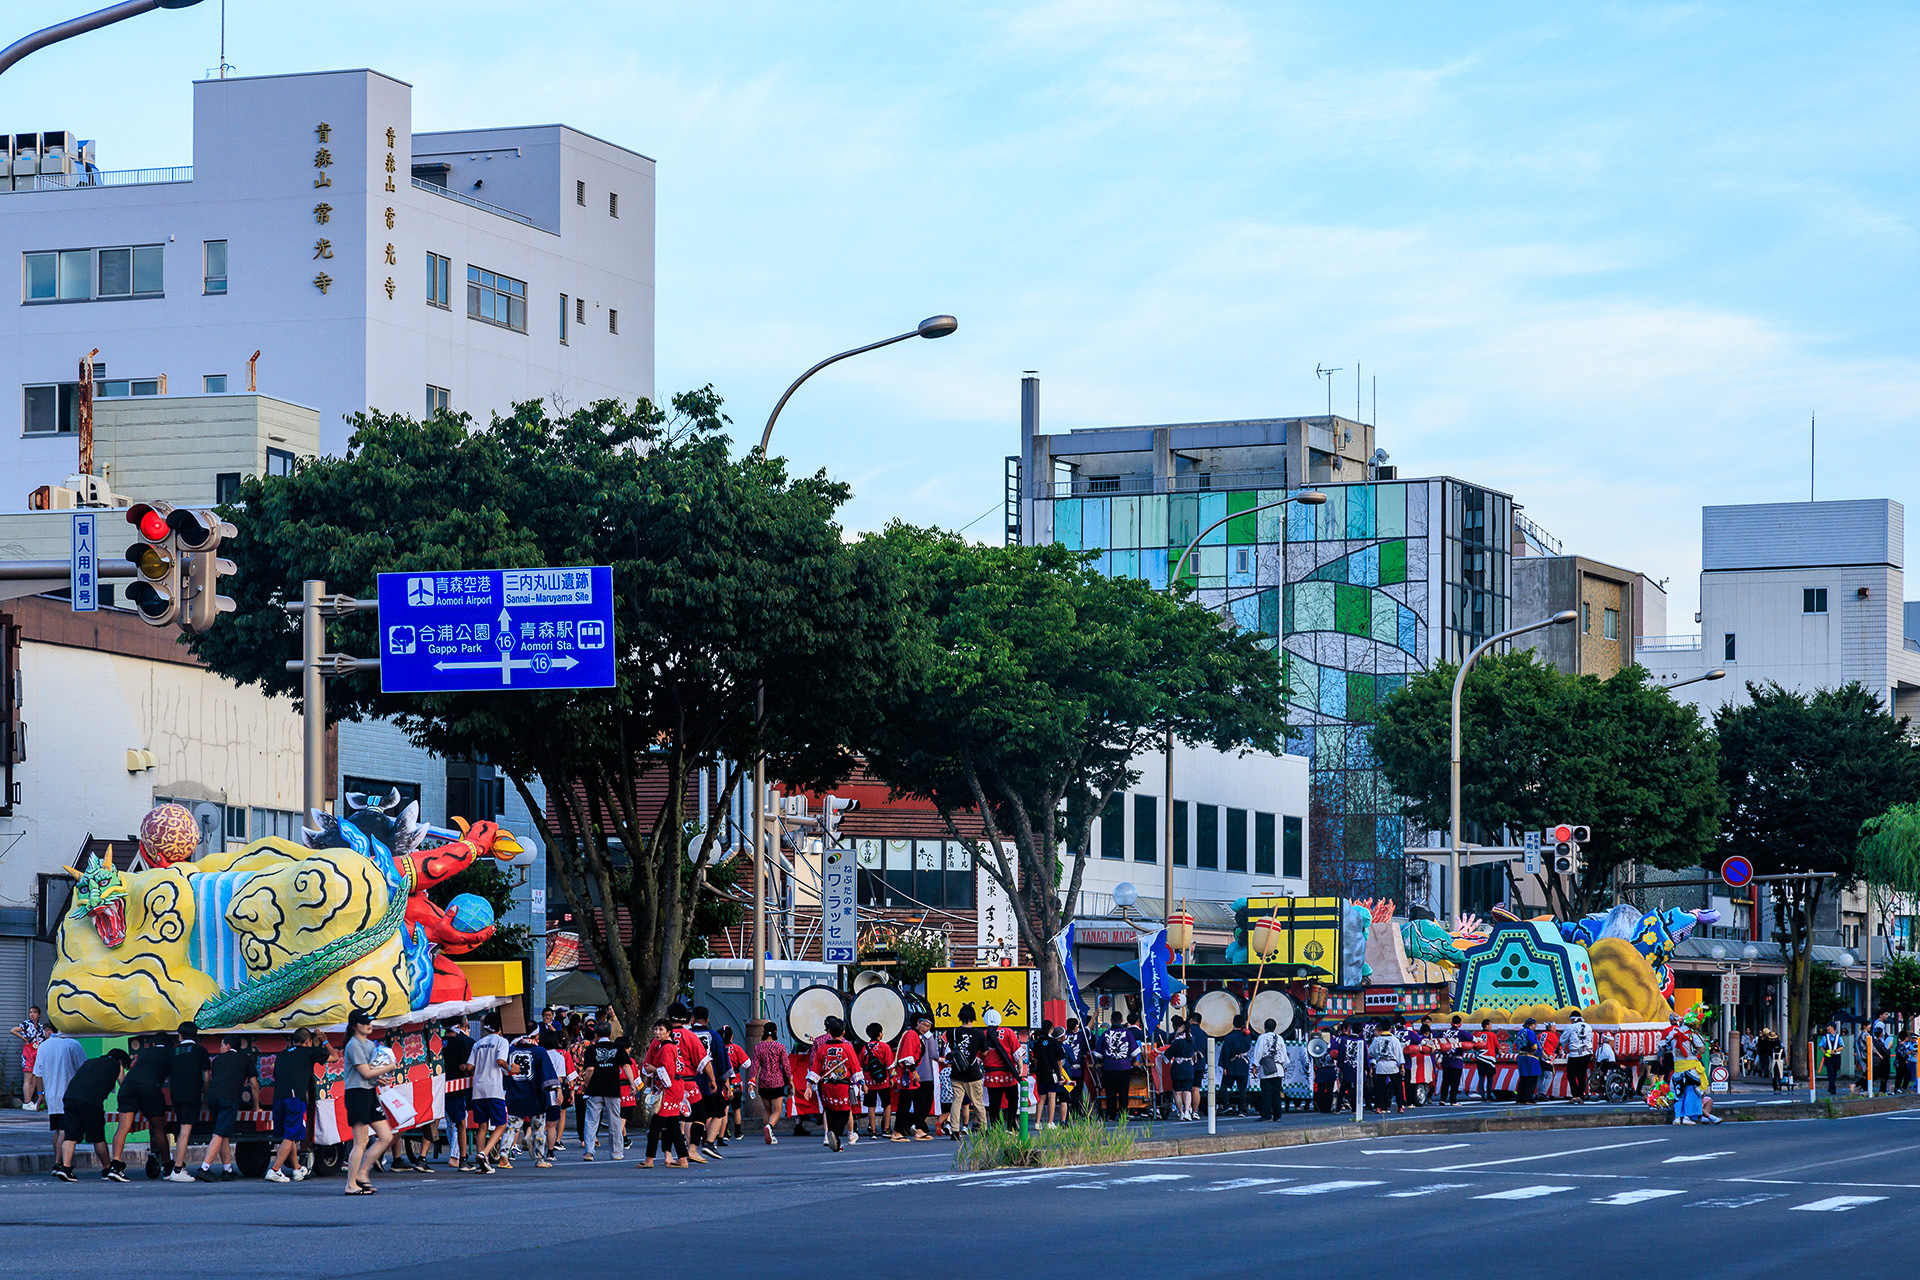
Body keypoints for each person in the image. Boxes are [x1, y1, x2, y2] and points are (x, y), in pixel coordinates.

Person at [342, 1011, 405, 1194]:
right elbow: (366, 1073)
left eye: (370, 1021)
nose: (369, 1025)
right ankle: (351, 1184)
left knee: (386, 1136)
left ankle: (363, 1172)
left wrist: (380, 1079)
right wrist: (390, 1067)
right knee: (360, 1142)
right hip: (356, 1094)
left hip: (369, 1092)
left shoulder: (369, 1044)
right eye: (364, 1022)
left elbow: (372, 1072)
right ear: (355, 1026)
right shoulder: (353, 1045)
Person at [55, 1047, 129, 1182]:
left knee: (71, 1136)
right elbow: (124, 1086)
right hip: (90, 1101)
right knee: (98, 1137)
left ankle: (65, 1168)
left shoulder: (90, 1062)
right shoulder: (116, 1065)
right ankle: (107, 1169)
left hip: (70, 1097)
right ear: (120, 1061)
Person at [109, 1032, 173, 1181]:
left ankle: (116, 1164)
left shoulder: (144, 1052)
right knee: (158, 1128)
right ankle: (168, 1165)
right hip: (149, 1087)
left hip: (128, 1086)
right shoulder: (170, 1053)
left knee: (123, 1127)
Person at [638, 1018, 698, 1168]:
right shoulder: (673, 1047)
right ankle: (682, 1158)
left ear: (668, 1032)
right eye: (656, 1029)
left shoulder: (665, 1048)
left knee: (656, 1124)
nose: (657, 1033)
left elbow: (667, 1073)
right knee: (673, 1125)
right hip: (677, 1088)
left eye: (661, 1030)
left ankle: (649, 1159)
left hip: (669, 1090)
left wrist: (653, 1070)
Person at [264, 1028, 323, 1183]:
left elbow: (275, 1075)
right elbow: (335, 1057)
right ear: (308, 1042)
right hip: (295, 1098)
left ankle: (297, 1169)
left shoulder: (282, 1054)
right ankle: (275, 1169)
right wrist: (325, 1040)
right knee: (291, 1136)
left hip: (278, 1098)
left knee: (288, 1135)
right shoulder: (308, 1052)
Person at [197, 1034, 257, 1181]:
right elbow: (254, 1084)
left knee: (224, 1133)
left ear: (228, 1046)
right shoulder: (246, 1059)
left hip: (213, 1097)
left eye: (221, 1045)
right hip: (229, 1098)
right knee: (219, 1133)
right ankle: (204, 1167)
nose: (220, 1048)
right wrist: (256, 1106)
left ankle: (227, 1169)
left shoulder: (217, 1061)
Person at [808, 1016, 863, 1152]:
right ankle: (834, 1134)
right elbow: (855, 1067)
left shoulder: (822, 1048)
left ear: (829, 1032)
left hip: (825, 1085)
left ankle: (836, 1144)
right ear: (843, 1032)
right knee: (844, 1113)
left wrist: (809, 1086)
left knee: (830, 1111)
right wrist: (862, 1083)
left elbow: (814, 1068)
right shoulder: (847, 1047)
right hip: (842, 1085)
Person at [164, 1022, 211, 1181]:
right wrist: (205, 1094)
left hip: (176, 1095)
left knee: (181, 1130)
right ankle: (177, 1170)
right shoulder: (200, 1051)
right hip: (192, 1094)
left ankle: (178, 1165)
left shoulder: (173, 1052)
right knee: (185, 1130)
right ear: (196, 1035)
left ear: (180, 1035)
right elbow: (206, 1076)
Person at [467, 1012, 513, 1171]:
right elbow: (500, 1061)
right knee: (502, 1123)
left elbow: (469, 1067)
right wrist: (511, 1069)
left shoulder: (478, 1044)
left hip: (478, 1089)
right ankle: (484, 1154)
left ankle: (482, 1161)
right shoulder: (502, 1041)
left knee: (482, 1126)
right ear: (500, 1027)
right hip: (494, 1088)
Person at [579, 1022, 630, 1162]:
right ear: (610, 1034)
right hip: (613, 1089)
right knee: (615, 1121)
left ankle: (589, 1151)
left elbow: (589, 1069)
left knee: (591, 1121)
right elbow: (626, 1065)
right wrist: (632, 1084)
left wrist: (586, 1084)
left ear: (596, 1034)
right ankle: (616, 1152)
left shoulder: (591, 1049)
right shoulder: (617, 1048)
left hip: (595, 1090)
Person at [503, 1028, 555, 1167]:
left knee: (512, 1127)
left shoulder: (510, 1050)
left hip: (515, 1094)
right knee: (538, 1128)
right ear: (536, 1035)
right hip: (535, 1096)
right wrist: (557, 1091)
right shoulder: (539, 1051)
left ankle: (503, 1154)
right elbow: (548, 1075)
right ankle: (539, 1159)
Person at [35, 1027, 85, 1163]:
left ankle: (59, 1161)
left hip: (51, 1096)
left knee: (58, 1130)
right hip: (69, 1094)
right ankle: (59, 1163)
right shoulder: (73, 1044)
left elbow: (37, 1073)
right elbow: (83, 1070)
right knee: (65, 1131)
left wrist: (40, 1095)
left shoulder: (43, 1046)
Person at [689, 1006, 733, 1158]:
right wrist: (726, 1082)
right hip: (709, 1083)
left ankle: (690, 1147)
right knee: (718, 1113)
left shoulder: (685, 1035)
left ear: (692, 1019)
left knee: (690, 1116)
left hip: (688, 1082)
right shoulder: (713, 1035)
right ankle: (709, 1142)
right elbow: (722, 1059)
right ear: (707, 1020)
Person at [947, 1004, 990, 1136]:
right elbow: (984, 1053)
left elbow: (953, 1051)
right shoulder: (980, 1034)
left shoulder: (952, 1032)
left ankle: (955, 1130)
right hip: (973, 1074)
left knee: (956, 1102)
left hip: (956, 1072)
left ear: (960, 1017)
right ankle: (983, 1129)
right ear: (973, 1017)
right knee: (977, 1102)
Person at [440, 1016, 475, 1169]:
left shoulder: (437, 1042)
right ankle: (459, 1157)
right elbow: (463, 1066)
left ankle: (423, 1157)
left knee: (447, 1122)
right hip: (456, 1087)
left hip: (438, 1088)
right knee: (460, 1123)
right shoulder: (463, 1042)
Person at [981, 1008, 1025, 1130]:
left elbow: (979, 1057)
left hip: (991, 1076)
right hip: (1008, 1073)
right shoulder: (1008, 1032)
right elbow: (1017, 1052)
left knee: (994, 1104)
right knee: (1013, 1101)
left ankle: (995, 1128)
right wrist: (1020, 1068)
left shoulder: (983, 1035)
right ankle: (1011, 1125)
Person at [1096, 1011, 1142, 1123]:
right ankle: (1122, 1116)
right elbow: (1135, 1052)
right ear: (1121, 1020)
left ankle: (1111, 1116)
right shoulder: (1127, 1034)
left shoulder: (1105, 1034)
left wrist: (1101, 1062)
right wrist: (1134, 1061)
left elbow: (1098, 1054)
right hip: (1124, 1067)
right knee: (1123, 1093)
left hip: (1109, 1067)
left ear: (1111, 1021)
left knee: (1110, 1093)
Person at [752, 1023, 792, 1145]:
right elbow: (786, 1065)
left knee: (767, 1110)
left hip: (763, 1082)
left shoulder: (758, 1047)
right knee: (777, 1110)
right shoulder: (780, 1047)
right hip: (777, 1081)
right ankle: (769, 1127)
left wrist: (752, 1080)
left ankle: (769, 1133)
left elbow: (755, 1066)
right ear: (775, 1031)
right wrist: (790, 1080)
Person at [859, 1023, 896, 1138]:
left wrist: (862, 1082)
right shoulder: (885, 1047)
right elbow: (889, 1066)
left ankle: (873, 1130)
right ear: (880, 1034)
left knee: (871, 1105)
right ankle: (886, 1129)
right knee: (887, 1104)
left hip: (869, 1081)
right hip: (882, 1080)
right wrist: (891, 1078)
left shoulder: (865, 1048)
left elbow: (859, 1065)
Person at [543, 1029, 574, 1161]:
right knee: (551, 1125)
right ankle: (550, 1152)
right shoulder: (559, 1057)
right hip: (552, 1093)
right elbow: (560, 1079)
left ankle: (533, 1144)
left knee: (538, 1123)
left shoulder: (539, 1055)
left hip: (538, 1093)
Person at [1167, 1015, 1203, 1121]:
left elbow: (1168, 1054)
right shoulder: (1192, 1040)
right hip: (1189, 1067)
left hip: (1177, 1067)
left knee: (1177, 1092)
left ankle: (1181, 1113)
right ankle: (1188, 1111)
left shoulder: (1177, 1041)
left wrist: (1176, 1036)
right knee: (1188, 1091)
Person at [1030, 1022, 1066, 1130]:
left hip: (1041, 1073)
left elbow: (1035, 1060)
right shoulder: (1054, 1043)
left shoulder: (1037, 1043)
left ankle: (1037, 1122)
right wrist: (1060, 1075)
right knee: (1052, 1097)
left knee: (1041, 1097)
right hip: (1053, 1073)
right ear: (1051, 1029)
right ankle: (1050, 1122)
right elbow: (1059, 1061)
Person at [1252, 1017, 1287, 1121]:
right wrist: (1284, 1066)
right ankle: (1278, 1115)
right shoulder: (1280, 1038)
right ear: (1275, 1028)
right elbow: (1284, 1054)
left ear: (1264, 1027)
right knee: (1276, 1093)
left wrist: (1255, 1066)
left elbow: (1258, 1052)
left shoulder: (1262, 1038)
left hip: (1267, 1068)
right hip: (1278, 1068)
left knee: (1266, 1093)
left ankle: (1266, 1115)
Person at [12, 1005, 46, 1110]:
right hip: (28, 1051)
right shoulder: (26, 1024)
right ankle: (26, 1101)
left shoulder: (40, 1026)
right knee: (28, 1077)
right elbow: (13, 1030)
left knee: (35, 1077)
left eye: (35, 1013)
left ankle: (30, 1101)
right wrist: (24, 1038)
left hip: (37, 1051)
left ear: (38, 1015)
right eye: (31, 1012)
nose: (32, 1014)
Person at [1219, 1014, 1253, 1115]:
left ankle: (1226, 1105)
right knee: (1242, 1088)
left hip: (1232, 1063)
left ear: (1233, 1023)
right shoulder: (1247, 1037)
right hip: (1243, 1063)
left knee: (1224, 1086)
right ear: (1243, 1025)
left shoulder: (1229, 1037)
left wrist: (1224, 1066)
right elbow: (1248, 1046)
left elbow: (1225, 1052)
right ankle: (1241, 1109)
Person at [1368, 1022, 1405, 1113]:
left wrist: (1376, 1057)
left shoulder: (1377, 1039)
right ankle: (1400, 1106)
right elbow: (1399, 1054)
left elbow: (1371, 1052)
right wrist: (1402, 1066)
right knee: (1397, 1087)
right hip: (1393, 1065)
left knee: (1379, 1087)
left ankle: (1378, 1107)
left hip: (1381, 1064)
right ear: (1390, 1028)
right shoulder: (1394, 1039)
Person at [722, 1026, 751, 1140]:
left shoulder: (720, 1049)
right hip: (736, 1082)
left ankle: (724, 1133)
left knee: (724, 1108)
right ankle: (738, 1132)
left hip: (724, 1082)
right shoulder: (736, 1048)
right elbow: (747, 1064)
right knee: (736, 1108)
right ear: (731, 1036)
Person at [1562, 1010, 1595, 1103]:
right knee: (1581, 1075)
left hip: (1575, 1054)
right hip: (1587, 1053)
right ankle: (1581, 1094)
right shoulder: (1588, 1026)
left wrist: (1559, 1047)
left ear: (1573, 1019)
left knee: (1571, 1075)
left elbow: (1563, 1039)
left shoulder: (1570, 1027)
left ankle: (1576, 1095)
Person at [1513, 1018, 1543, 1105]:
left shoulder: (1520, 1032)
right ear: (1532, 1024)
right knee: (1532, 1078)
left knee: (1523, 1078)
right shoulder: (1530, 1032)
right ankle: (1528, 1098)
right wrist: (1535, 1049)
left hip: (1521, 1056)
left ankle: (1520, 1098)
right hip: (1530, 1057)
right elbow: (1533, 1043)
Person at [1438, 1016, 1465, 1106]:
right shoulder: (1461, 1033)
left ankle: (1442, 1099)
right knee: (1455, 1082)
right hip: (1456, 1061)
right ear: (1460, 1024)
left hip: (1446, 1061)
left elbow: (1436, 1040)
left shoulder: (1444, 1032)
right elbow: (1472, 1039)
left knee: (1445, 1081)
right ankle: (1453, 1100)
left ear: (1451, 1022)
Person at [1474, 1019, 1500, 1100]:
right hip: (1490, 1058)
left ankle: (1482, 1095)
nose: (1491, 1026)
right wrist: (1499, 1052)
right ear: (1486, 1026)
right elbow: (1497, 1047)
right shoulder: (1492, 1035)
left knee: (1481, 1078)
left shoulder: (1478, 1035)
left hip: (1480, 1058)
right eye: (1490, 1025)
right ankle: (1489, 1095)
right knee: (1490, 1078)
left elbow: (1474, 1047)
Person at [1755, 1025, 1784, 1093]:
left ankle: (1772, 1079)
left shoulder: (1769, 1042)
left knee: (1773, 1069)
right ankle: (1773, 1079)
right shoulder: (1777, 1043)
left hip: (1772, 1057)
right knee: (1775, 1070)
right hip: (1774, 1058)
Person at [1819, 1022, 1844, 1095]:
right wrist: (1824, 1051)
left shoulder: (1838, 1037)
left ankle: (1831, 1087)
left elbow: (1842, 1046)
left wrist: (1835, 1051)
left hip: (1836, 1056)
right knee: (1830, 1072)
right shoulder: (1825, 1037)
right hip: (1828, 1057)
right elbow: (1820, 1046)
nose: (1827, 1028)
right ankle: (1833, 1088)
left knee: (1834, 1072)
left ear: (1833, 1028)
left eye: (1828, 1027)